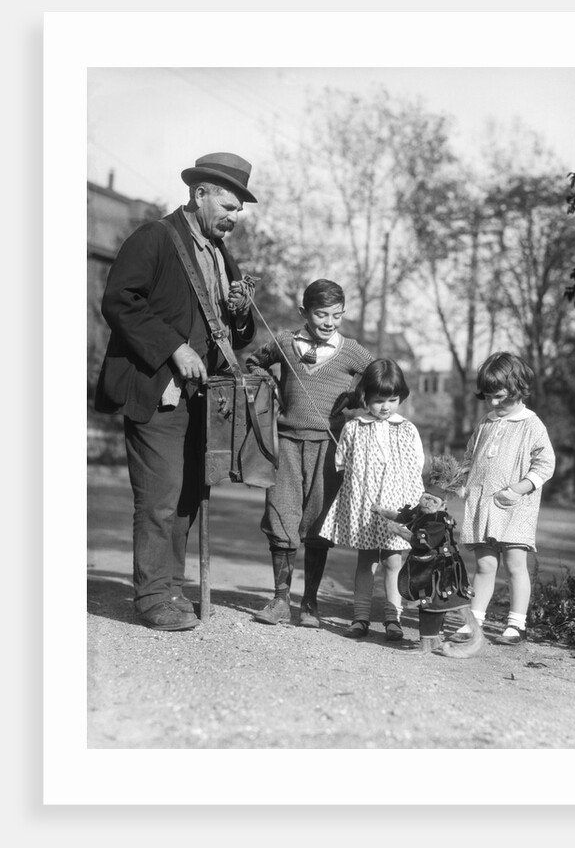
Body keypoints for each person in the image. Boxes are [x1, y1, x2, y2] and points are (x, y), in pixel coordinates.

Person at [95, 152, 259, 631]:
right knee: (160, 497)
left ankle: (171, 588)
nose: (234, 218)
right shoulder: (155, 238)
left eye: (239, 211)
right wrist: (173, 348)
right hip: (158, 391)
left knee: (188, 495)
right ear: (199, 193)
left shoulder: (221, 255)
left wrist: (241, 312)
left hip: (203, 400)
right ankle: (150, 597)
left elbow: (232, 335)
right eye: (227, 207)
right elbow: (119, 301)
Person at [245, 279, 374, 628]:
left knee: (318, 521)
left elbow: (380, 376)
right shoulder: (286, 341)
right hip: (285, 444)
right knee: (281, 516)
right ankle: (280, 599)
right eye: (321, 314)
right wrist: (266, 384)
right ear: (304, 312)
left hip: (328, 449)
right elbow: (253, 362)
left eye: (337, 315)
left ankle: (311, 604)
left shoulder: (351, 351)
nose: (329, 322)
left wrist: (358, 398)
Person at [453, 351, 556, 646]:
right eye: (488, 397)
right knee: (485, 565)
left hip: (514, 507)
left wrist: (519, 489)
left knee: (514, 564)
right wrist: (462, 481)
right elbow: (471, 457)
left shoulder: (531, 424)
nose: (494, 403)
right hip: (482, 505)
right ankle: (475, 622)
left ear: (518, 389)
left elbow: (545, 463)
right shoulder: (485, 423)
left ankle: (516, 624)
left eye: (500, 396)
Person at [319, 359, 425, 641]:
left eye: (393, 399)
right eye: (379, 400)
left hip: (396, 510)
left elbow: (416, 467)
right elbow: (341, 463)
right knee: (366, 562)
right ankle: (360, 617)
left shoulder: (406, 429)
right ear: (365, 397)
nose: (386, 406)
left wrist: (413, 509)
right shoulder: (354, 428)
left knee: (393, 562)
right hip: (365, 508)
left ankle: (393, 619)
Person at [379, 454, 484, 656]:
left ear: (442, 504)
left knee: (431, 605)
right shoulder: (422, 511)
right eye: (425, 497)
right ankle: (434, 643)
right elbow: (406, 517)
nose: (427, 502)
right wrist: (383, 512)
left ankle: (426, 647)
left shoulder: (438, 519)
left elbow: (421, 541)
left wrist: (398, 531)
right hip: (431, 568)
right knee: (433, 606)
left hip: (440, 573)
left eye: (432, 500)